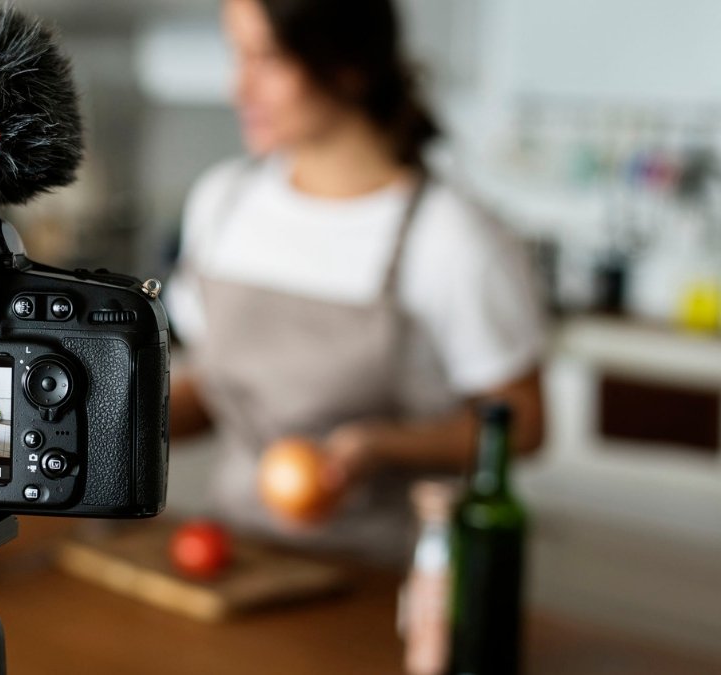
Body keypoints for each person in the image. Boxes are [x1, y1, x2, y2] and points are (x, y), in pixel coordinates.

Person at [166, 0, 546, 562]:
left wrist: (380, 446)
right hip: (236, 554)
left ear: (346, 66)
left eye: (265, 59)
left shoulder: (453, 240)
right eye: (236, 57)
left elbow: (525, 425)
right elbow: (211, 384)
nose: (237, 88)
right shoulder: (223, 201)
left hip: (382, 577)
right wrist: (112, 419)